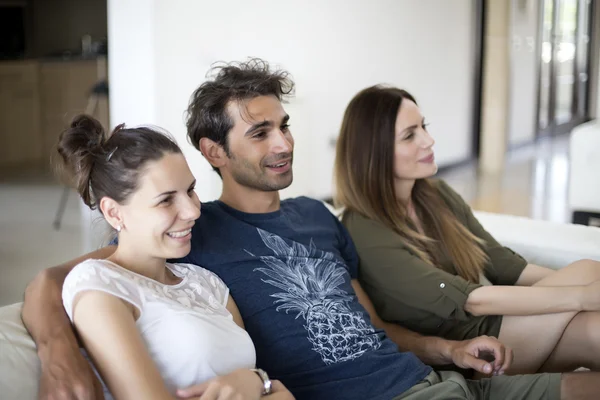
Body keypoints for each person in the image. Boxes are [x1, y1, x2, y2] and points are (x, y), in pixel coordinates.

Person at [22, 59, 600, 400]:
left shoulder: (319, 217)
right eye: (259, 133)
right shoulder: (196, 233)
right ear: (212, 150)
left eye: (284, 125)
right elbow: (62, 279)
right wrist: (56, 352)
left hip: (441, 379)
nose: (283, 144)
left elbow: (373, 324)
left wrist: (447, 348)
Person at [334, 84, 600, 375]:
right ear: (375, 152)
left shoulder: (436, 195)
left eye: (424, 127)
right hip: (468, 349)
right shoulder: (364, 230)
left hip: (494, 325)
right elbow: (470, 300)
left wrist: (587, 290)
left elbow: (501, 263)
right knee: (587, 282)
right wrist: (581, 295)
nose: (429, 140)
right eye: (410, 135)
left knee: (591, 309)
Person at [52, 115, 293, 400]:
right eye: (166, 200)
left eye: (190, 190)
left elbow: (256, 380)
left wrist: (257, 380)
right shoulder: (99, 284)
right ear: (115, 213)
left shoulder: (206, 283)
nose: (192, 211)